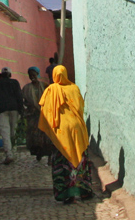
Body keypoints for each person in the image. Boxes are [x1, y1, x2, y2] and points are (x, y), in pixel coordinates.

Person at [38, 65, 93, 203]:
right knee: (80, 159)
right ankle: (84, 191)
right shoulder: (74, 88)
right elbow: (80, 107)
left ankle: (67, 194)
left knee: (63, 162)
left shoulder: (51, 90)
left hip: (61, 132)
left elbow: (46, 113)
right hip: (77, 128)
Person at [0, 67, 23, 164]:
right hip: (14, 108)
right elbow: (19, 96)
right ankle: (13, 149)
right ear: (10, 74)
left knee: (5, 132)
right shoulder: (15, 82)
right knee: (13, 131)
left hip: (2, 109)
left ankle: (9, 154)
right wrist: (21, 110)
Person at [21, 67, 54, 161]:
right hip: (33, 115)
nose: (32, 77)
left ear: (37, 75)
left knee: (46, 135)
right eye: (30, 75)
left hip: (45, 114)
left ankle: (49, 154)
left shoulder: (45, 86)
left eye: (34, 75)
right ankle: (38, 152)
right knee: (35, 135)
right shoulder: (26, 88)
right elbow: (23, 100)